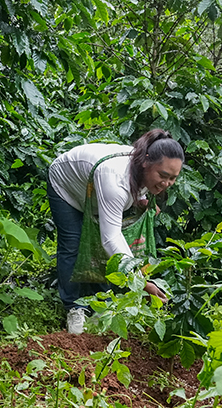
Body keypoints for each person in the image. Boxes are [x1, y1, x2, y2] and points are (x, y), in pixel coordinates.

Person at [47, 129, 184, 334]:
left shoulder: (143, 169)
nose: (166, 184)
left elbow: (133, 190)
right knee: (73, 244)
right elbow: (110, 239)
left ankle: (101, 304)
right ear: (146, 162)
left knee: (105, 251)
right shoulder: (115, 180)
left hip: (97, 190)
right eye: (163, 176)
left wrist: (140, 200)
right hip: (68, 187)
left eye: (172, 178)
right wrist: (142, 283)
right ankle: (75, 308)